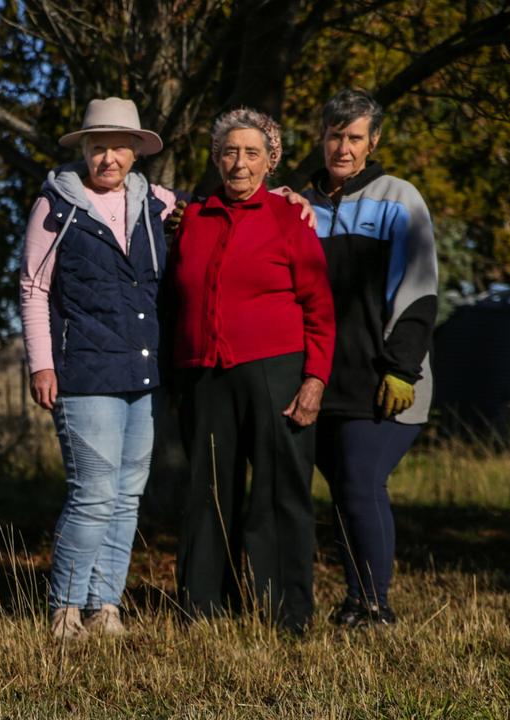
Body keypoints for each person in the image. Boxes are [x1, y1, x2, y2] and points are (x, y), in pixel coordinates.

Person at [19, 98, 314, 640]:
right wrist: (42, 363)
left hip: (145, 371)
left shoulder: (158, 202)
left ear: (136, 152)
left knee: (128, 492)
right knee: (94, 491)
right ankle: (65, 608)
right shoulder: (54, 206)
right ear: (83, 149)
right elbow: (33, 288)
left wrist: (283, 194)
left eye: (119, 147)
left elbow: (229, 201)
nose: (108, 157)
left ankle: (105, 606)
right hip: (84, 369)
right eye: (98, 146)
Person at [169, 107, 335, 635]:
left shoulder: (291, 218)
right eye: (229, 152)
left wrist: (315, 379)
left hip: (276, 372)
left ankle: (287, 612)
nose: (239, 163)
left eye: (251, 153)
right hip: (203, 374)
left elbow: (320, 308)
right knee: (207, 491)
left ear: (271, 161)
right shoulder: (191, 218)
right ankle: (204, 607)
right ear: (216, 158)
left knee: (279, 490)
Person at [303, 88, 438, 629]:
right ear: (322, 136)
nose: (343, 147)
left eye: (355, 137)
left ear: (373, 142)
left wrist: (402, 368)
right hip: (322, 378)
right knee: (343, 489)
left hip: (384, 377)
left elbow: (421, 288)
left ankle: (376, 605)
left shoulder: (398, 198)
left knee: (360, 481)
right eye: (335, 135)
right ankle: (356, 599)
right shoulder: (298, 204)